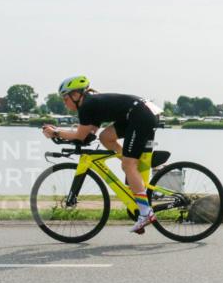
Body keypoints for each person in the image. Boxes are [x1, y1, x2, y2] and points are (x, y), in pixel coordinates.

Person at [41, 76, 161, 233]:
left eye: (65, 98)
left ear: (76, 95)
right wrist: (70, 135)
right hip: (140, 113)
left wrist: (55, 132)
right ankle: (131, 166)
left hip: (141, 115)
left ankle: (146, 213)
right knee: (106, 137)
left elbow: (80, 135)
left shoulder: (87, 105)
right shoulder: (91, 103)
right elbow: (89, 135)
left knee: (128, 165)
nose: (65, 102)